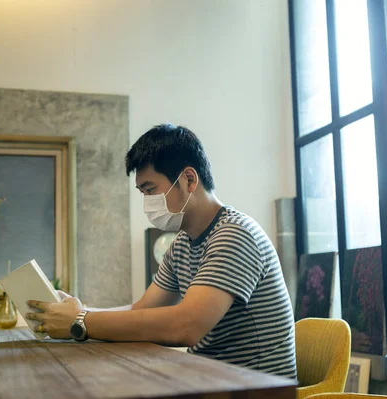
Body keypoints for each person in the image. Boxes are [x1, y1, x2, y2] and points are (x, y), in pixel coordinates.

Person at [26, 124, 297, 379]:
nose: (147, 202)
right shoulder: (181, 244)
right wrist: (77, 311)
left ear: (189, 179)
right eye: (142, 192)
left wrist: (81, 322)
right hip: (211, 382)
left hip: (255, 389)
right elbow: (140, 309)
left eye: (150, 190)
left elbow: (186, 326)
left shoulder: (235, 234)